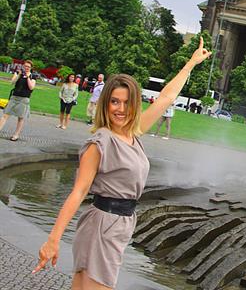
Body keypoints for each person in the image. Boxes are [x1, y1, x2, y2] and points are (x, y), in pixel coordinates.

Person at [33, 37, 212, 289]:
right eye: (114, 101)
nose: (120, 109)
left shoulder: (133, 133)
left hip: (120, 223)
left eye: (127, 102)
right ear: (105, 103)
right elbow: (79, 191)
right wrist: (53, 239)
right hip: (102, 223)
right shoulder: (100, 142)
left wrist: (190, 64)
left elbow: (165, 98)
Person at [0, 60, 36, 141]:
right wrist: (19, 74)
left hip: (24, 99)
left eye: (28, 67)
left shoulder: (33, 76)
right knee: (5, 114)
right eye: (25, 66)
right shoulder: (18, 72)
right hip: (14, 97)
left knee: (21, 117)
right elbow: (12, 82)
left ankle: (16, 135)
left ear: (31, 68)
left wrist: (27, 77)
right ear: (23, 66)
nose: (26, 68)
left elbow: (31, 87)